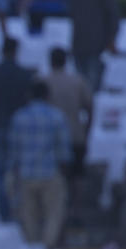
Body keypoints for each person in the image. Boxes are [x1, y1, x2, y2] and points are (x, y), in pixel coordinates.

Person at [8, 80, 71, 249]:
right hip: (50, 172)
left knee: (29, 215)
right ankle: (47, 247)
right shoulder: (57, 116)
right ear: (47, 96)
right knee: (54, 213)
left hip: (27, 173)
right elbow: (63, 149)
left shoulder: (19, 117)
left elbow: (14, 149)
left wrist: (14, 172)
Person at [0, 37, 35, 222]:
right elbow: (29, 104)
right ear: (16, 51)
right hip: (19, 130)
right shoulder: (25, 75)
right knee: (17, 172)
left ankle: (4, 213)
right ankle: (17, 211)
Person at [64, 0, 120, 93]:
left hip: (96, 48)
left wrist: (111, 40)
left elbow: (113, 15)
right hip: (79, 49)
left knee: (91, 90)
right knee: (83, 89)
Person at [44, 47, 94, 181]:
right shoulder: (78, 81)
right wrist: (86, 130)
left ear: (50, 61)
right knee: (77, 177)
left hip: (50, 137)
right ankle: (76, 202)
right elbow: (90, 107)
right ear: (66, 61)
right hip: (75, 134)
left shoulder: (43, 81)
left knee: (52, 178)